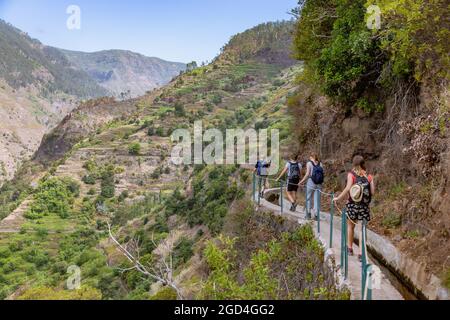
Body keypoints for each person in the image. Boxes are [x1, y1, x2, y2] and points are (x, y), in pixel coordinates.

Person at [333, 155, 375, 261]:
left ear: (354, 163)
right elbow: (373, 192)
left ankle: (350, 249)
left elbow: (348, 188)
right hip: (364, 206)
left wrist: (338, 198)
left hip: (352, 204)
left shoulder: (351, 175)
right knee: (361, 229)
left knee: (350, 227)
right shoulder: (369, 176)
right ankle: (361, 254)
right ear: (363, 163)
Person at [299, 153, 324, 220]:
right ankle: (316, 215)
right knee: (317, 199)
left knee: (308, 197)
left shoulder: (309, 163)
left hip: (311, 182)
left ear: (311, 157)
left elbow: (307, 174)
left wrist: (301, 182)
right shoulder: (320, 164)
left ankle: (308, 214)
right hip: (319, 183)